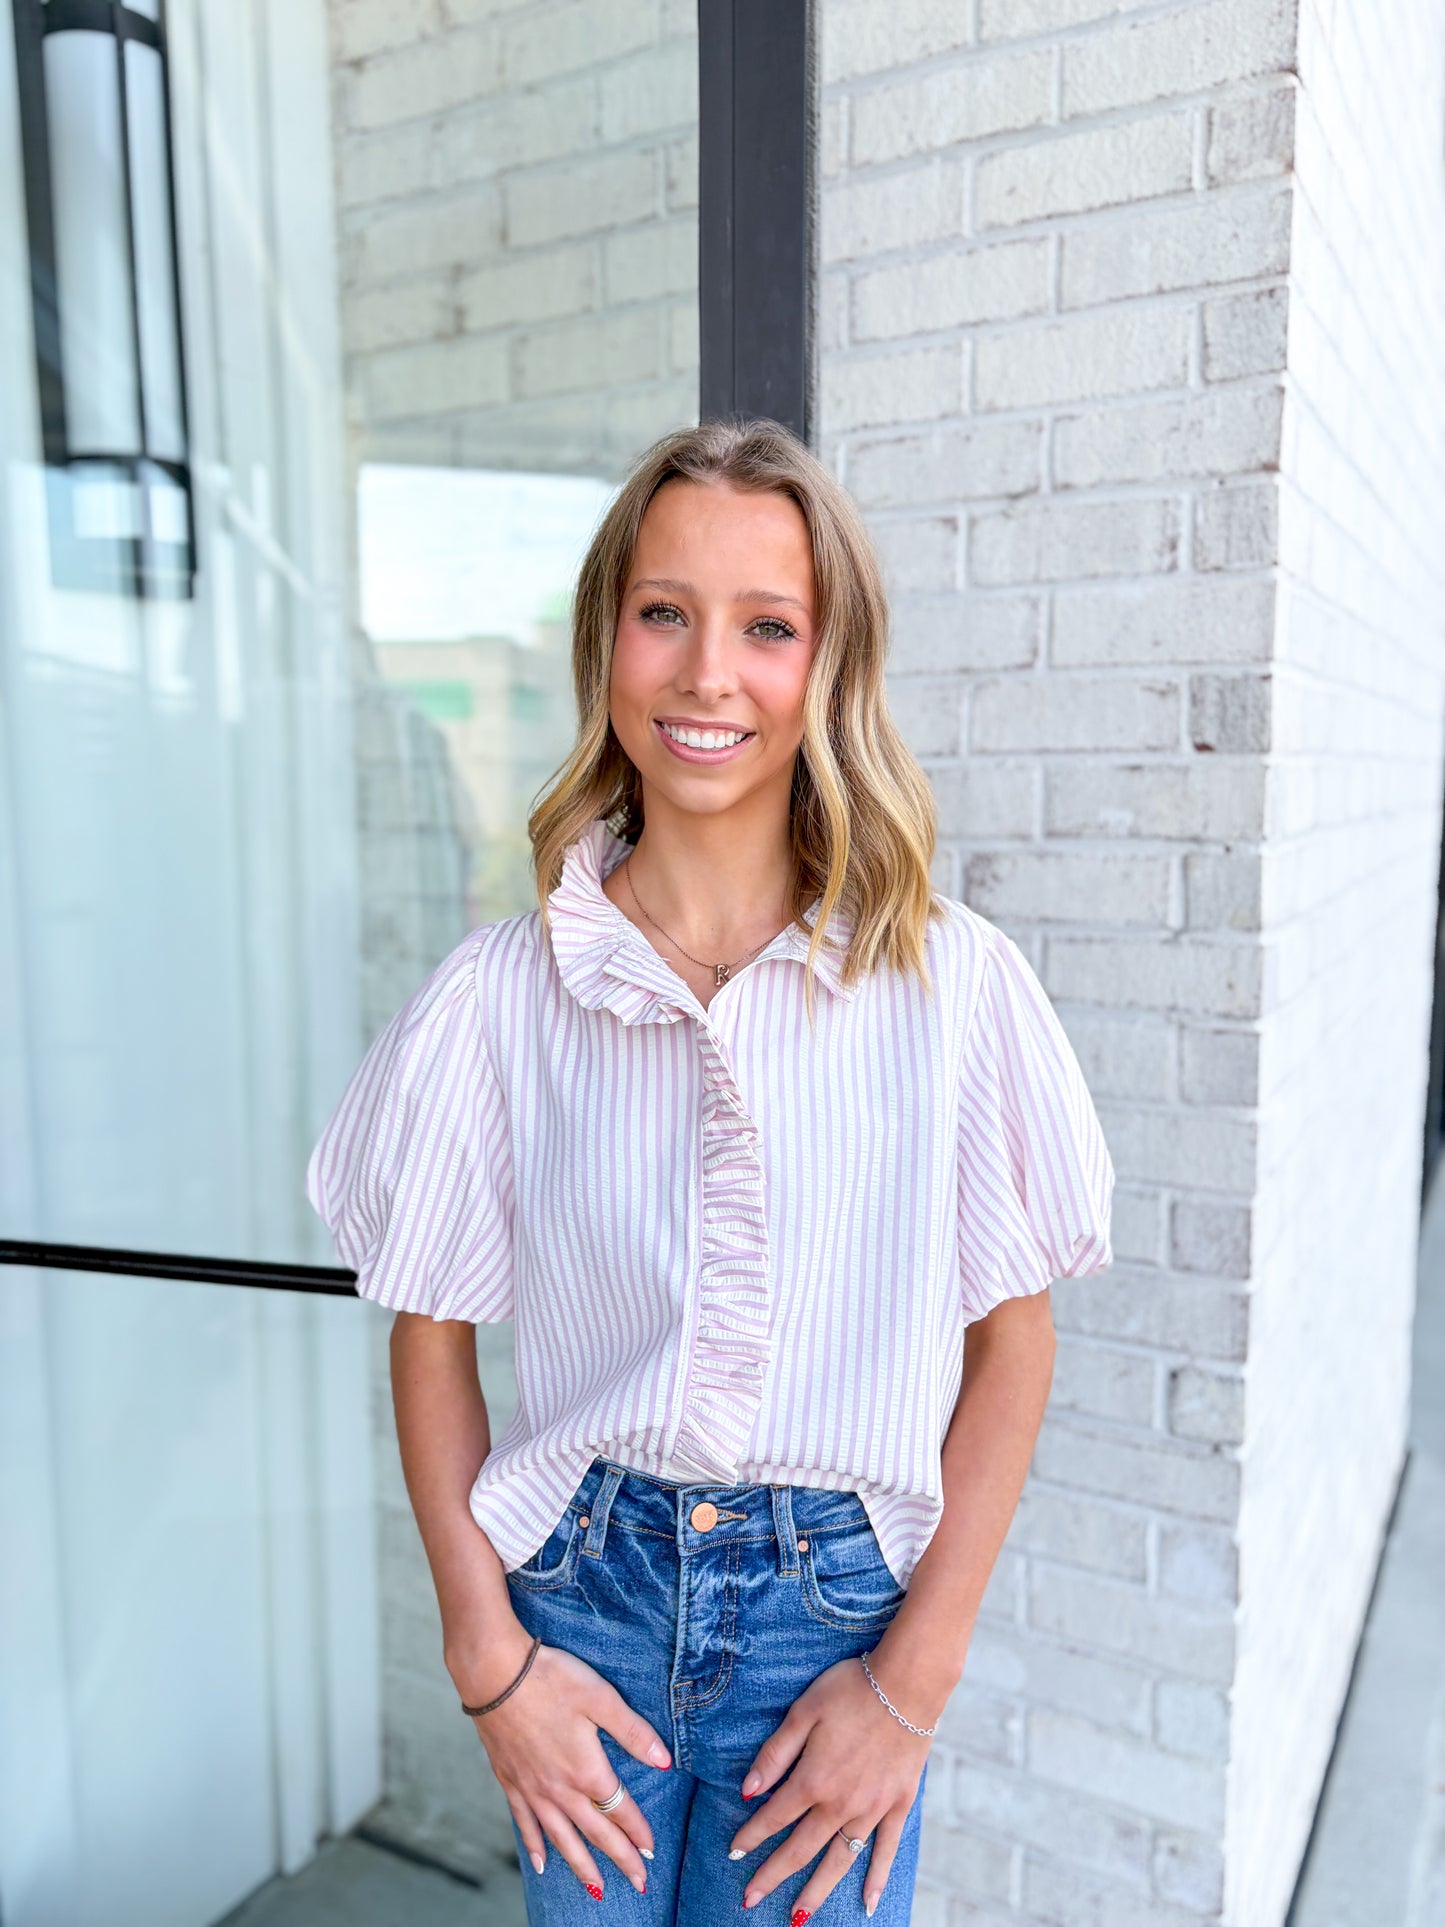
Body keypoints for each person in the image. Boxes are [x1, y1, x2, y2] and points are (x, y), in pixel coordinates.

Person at [306, 417, 1116, 1925]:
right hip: (581, 1606)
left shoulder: (950, 987)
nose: (703, 674)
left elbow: (1012, 1348)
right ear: (605, 634)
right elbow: (431, 1338)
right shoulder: (503, 995)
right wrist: (489, 1664)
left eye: (766, 627)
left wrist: (910, 1689)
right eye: (662, 611)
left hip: (835, 1634)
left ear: (828, 667)